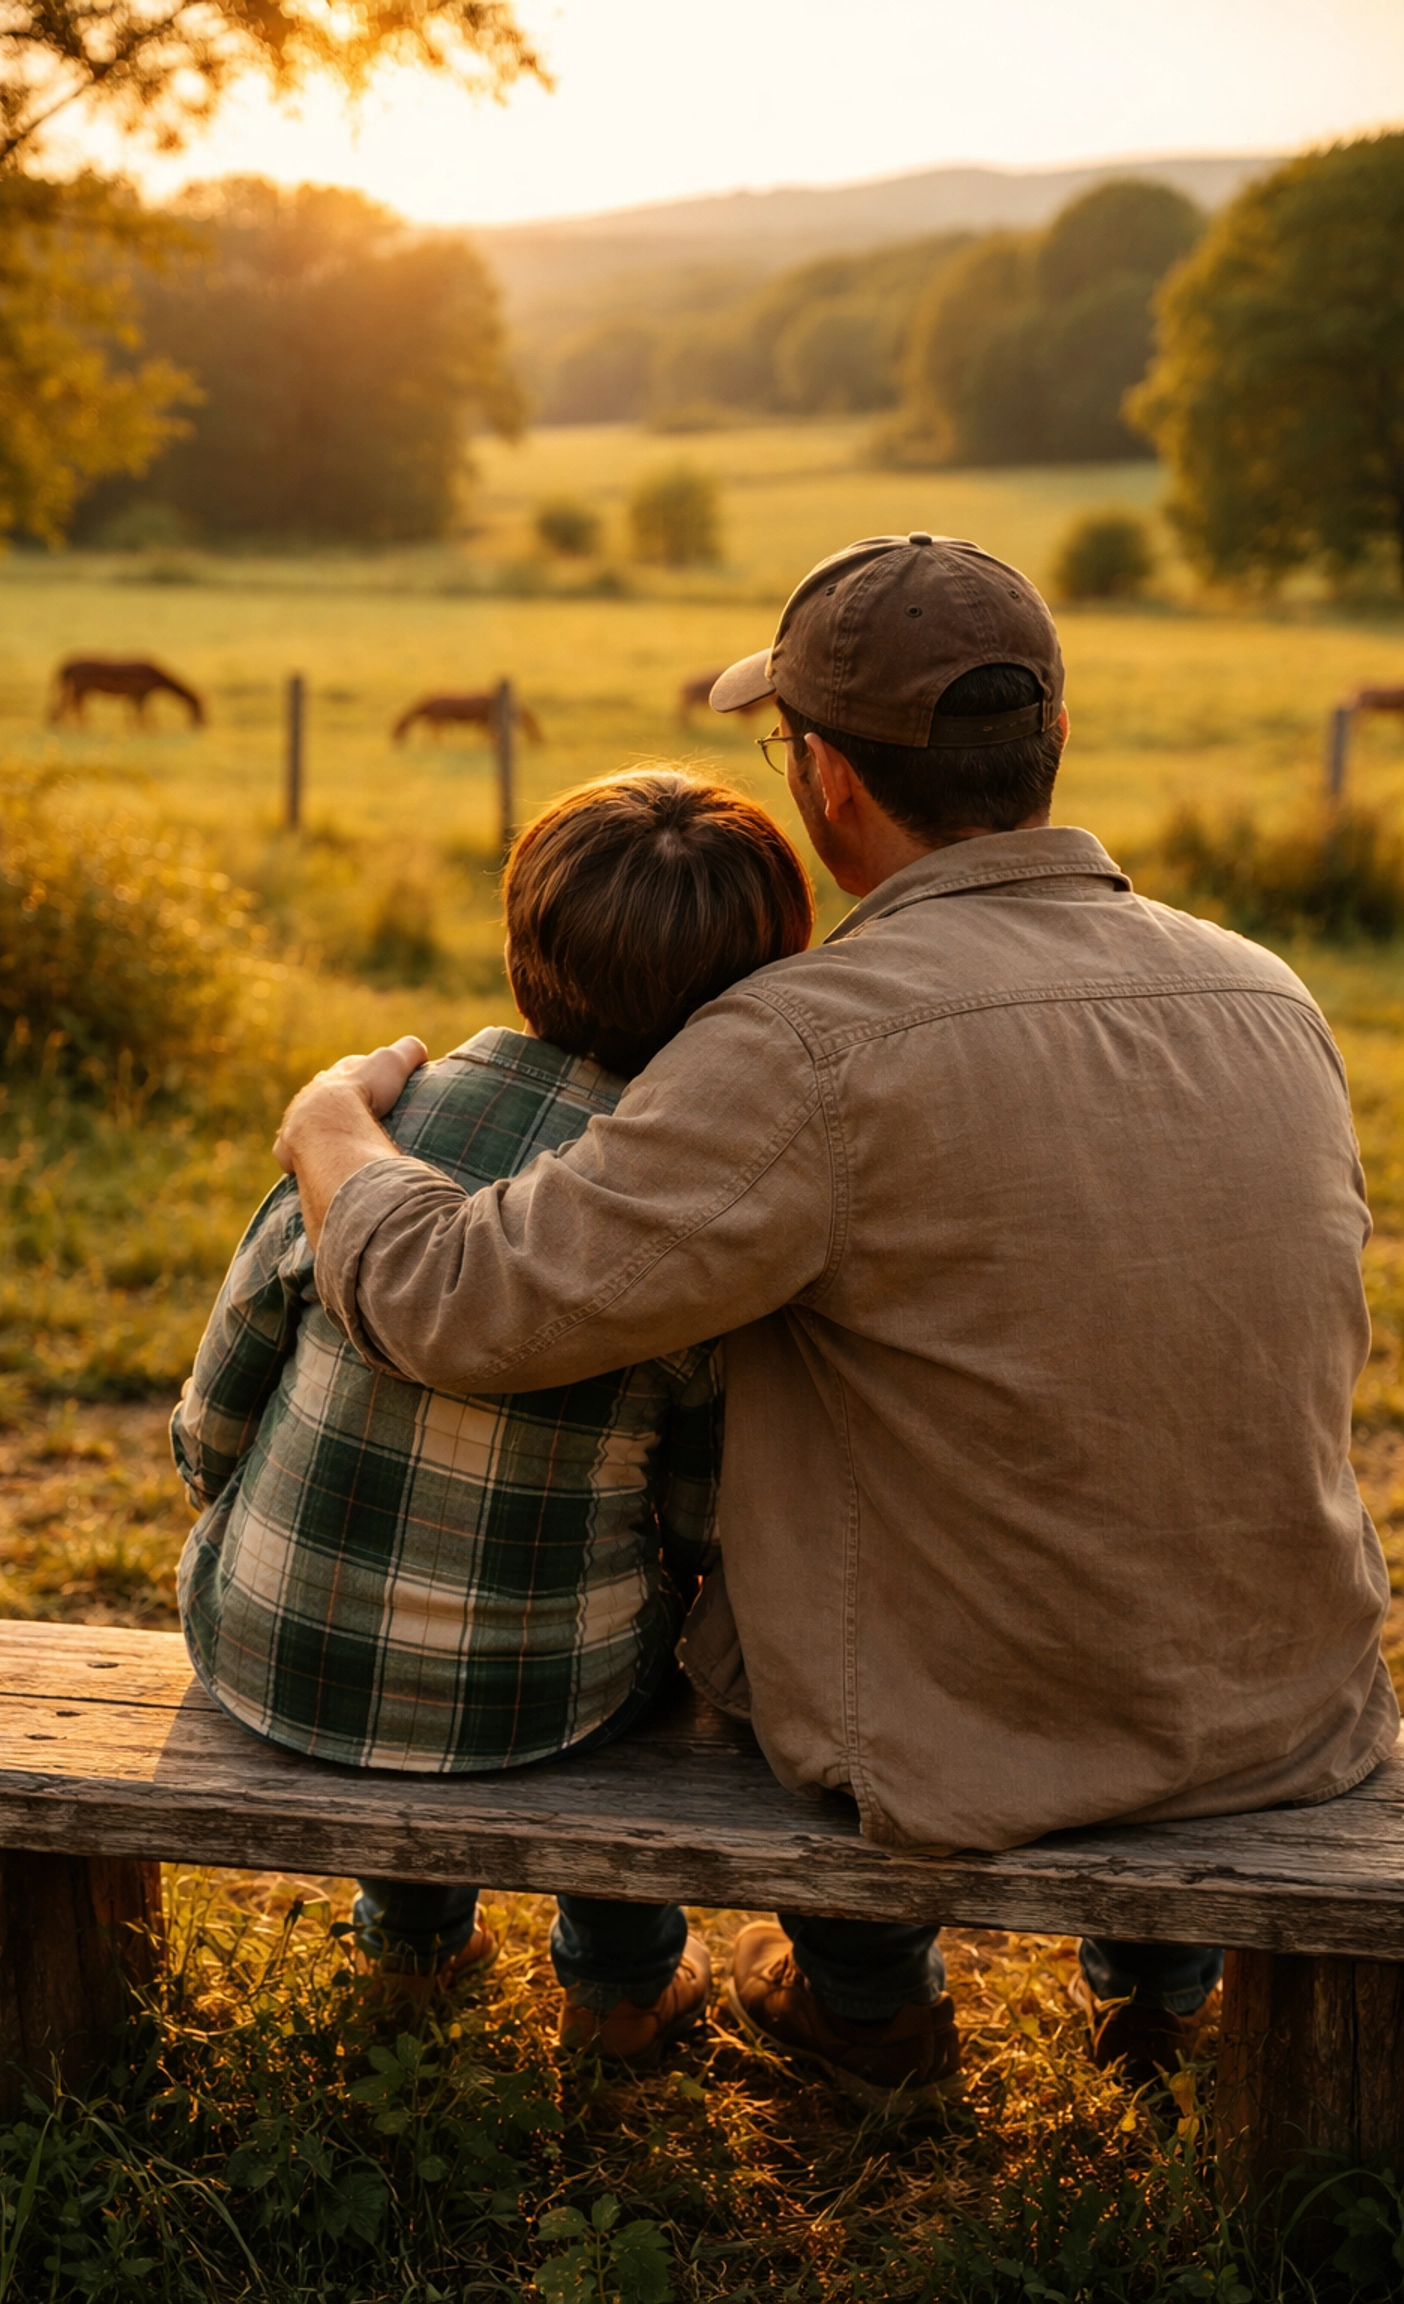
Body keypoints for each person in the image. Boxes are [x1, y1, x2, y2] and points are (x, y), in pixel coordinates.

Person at [275, 534, 1395, 2107]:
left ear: (825, 787)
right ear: (1053, 741)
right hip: (1290, 1705)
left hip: (971, 1741)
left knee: (698, 1606)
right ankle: (1150, 2011)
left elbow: (460, 1304)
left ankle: (869, 2018)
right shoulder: (1271, 991)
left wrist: (332, 1127)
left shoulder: (804, 1043)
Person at [172, 768, 813, 2063]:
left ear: (520, 945)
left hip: (264, 1646)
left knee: (420, 1628)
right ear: (749, 999)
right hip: (544, 1695)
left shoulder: (366, 1127)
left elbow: (214, 1423)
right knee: (631, 1657)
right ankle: (625, 1982)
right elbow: (698, 1516)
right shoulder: (686, 1208)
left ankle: (411, 1954)